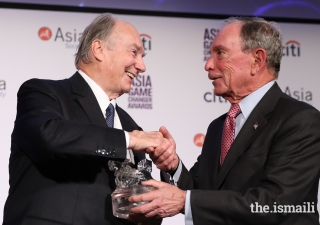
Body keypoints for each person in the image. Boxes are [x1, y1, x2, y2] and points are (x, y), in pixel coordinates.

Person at [129, 17, 320, 225]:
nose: (208, 65)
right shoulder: (219, 126)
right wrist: (173, 166)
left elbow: (275, 204)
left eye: (220, 53)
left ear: (257, 61)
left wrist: (185, 201)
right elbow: (200, 191)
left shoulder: (299, 120)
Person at [3, 13, 166, 225]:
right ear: (99, 49)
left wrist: (167, 169)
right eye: (134, 52)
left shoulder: (131, 126)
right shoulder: (44, 93)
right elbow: (49, 135)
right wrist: (128, 140)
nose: (141, 66)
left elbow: (144, 212)